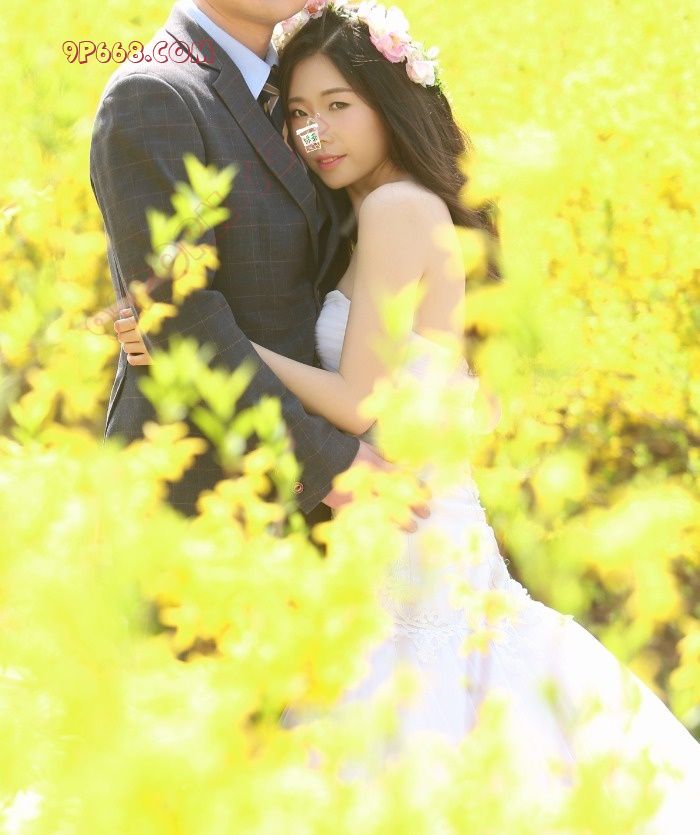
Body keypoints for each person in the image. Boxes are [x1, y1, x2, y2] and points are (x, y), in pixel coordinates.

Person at [113, 0, 700, 823]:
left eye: (339, 105)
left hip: (407, 531)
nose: (315, 133)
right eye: (299, 113)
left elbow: (359, 399)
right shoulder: (377, 212)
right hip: (407, 522)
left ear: (391, 101)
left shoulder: (394, 210)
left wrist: (201, 339)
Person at [90, 0, 429, 532]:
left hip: (337, 500)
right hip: (205, 496)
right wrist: (328, 464)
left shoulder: (298, 88)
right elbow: (180, 316)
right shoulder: (156, 95)